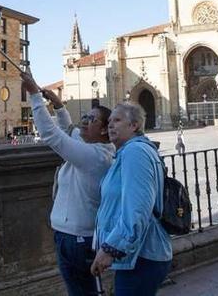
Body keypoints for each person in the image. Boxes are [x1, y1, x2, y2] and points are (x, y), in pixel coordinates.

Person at [21, 71, 115, 296]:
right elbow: (70, 132)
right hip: (69, 236)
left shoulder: (96, 156)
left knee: (82, 292)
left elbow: (53, 136)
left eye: (91, 120)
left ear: (104, 130)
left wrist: (34, 96)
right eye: (85, 117)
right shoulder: (93, 149)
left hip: (78, 239)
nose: (84, 122)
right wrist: (59, 106)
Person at [91, 102, 172, 295]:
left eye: (117, 120)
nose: (110, 125)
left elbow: (137, 209)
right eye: (109, 121)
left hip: (142, 257)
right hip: (136, 255)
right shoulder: (128, 152)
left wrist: (111, 249)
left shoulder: (135, 153)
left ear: (134, 125)